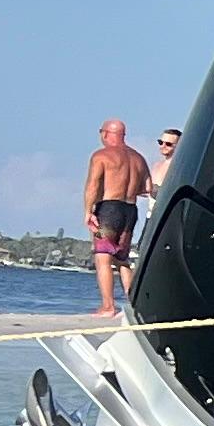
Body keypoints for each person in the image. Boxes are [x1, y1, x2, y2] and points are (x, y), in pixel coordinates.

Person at [82, 117, 154, 317]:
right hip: (130, 210)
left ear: (105, 133)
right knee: (122, 259)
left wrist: (88, 211)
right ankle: (134, 306)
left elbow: (93, 184)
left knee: (103, 257)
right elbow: (147, 188)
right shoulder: (139, 158)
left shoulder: (101, 156)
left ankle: (108, 306)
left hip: (109, 208)